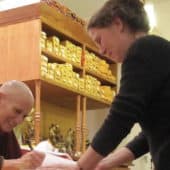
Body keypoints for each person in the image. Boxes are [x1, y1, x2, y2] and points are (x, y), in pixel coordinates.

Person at [41, 0, 170, 170]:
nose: (101, 51)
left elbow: (121, 116)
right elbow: (148, 136)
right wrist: (103, 163)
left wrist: (80, 166)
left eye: (99, 40)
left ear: (118, 24)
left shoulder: (143, 47)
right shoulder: (156, 52)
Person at [0, 80, 45, 170]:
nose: (19, 121)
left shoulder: (6, 133)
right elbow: (16, 163)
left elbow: (17, 160)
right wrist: (13, 164)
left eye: (24, 116)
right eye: (17, 111)